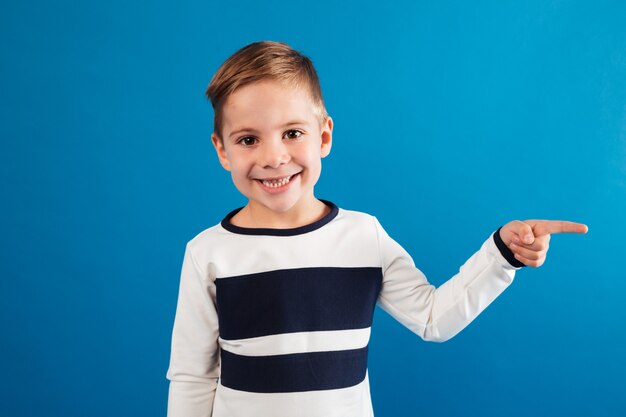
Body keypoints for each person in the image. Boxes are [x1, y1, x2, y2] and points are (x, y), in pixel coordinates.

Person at [165, 40, 588, 417]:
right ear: (221, 149)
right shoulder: (208, 253)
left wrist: (502, 254)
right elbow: (192, 377)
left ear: (324, 136)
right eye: (248, 139)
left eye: (292, 133)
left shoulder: (363, 237)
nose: (274, 156)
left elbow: (432, 319)